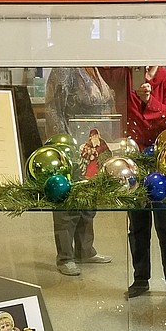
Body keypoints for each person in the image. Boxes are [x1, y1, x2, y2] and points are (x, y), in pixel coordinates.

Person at [125, 65, 166, 302]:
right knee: (138, 225)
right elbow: (127, 119)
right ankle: (140, 279)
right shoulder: (127, 78)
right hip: (135, 161)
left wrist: (149, 99)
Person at [44, 68, 114, 276]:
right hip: (72, 146)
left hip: (93, 145)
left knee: (88, 200)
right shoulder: (64, 70)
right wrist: (64, 147)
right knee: (67, 202)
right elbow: (53, 110)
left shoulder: (95, 67)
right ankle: (65, 257)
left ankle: (85, 250)